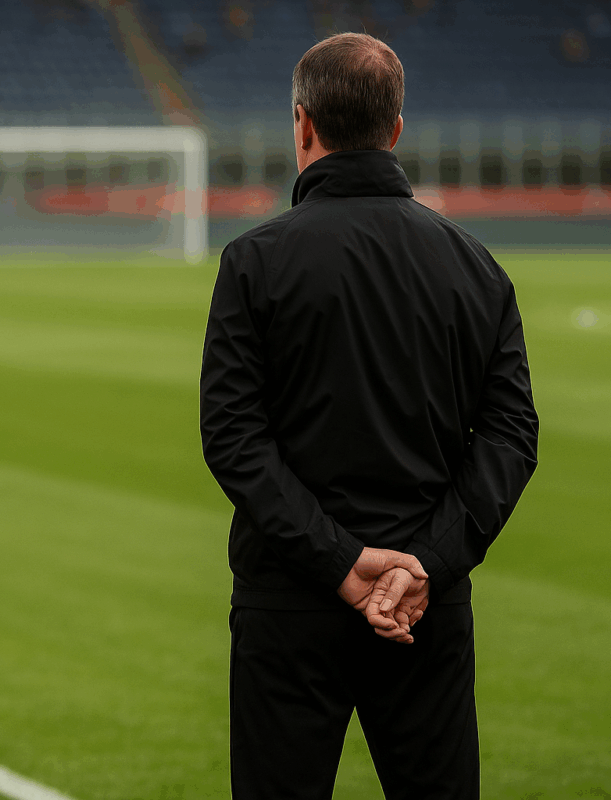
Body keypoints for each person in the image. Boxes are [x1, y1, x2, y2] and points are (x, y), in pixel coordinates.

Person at [199, 32, 538, 800]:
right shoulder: (477, 266)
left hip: (289, 601)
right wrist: (427, 563)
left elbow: (233, 436)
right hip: (426, 603)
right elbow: (513, 435)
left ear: (302, 122)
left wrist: (340, 564)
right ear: (395, 130)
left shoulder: (255, 261)